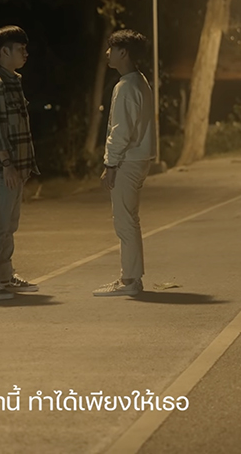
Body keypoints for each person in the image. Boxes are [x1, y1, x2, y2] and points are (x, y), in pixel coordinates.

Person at [0, 25, 41, 300]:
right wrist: (7, 164)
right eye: (20, 49)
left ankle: (5, 275)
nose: (25, 53)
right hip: (3, 169)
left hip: (16, 168)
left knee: (9, 225)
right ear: (4, 51)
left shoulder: (12, 82)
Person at [94, 29, 157, 297]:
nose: (107, 53)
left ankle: (130, 280)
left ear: (124, 52)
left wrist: (110, 165)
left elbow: (120, 132)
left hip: (127, 161)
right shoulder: (140, 81)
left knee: (125, 222)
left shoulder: (126, 87)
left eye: (112, 48)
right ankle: (131, 278)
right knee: (130, 219)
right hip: (139, 158)